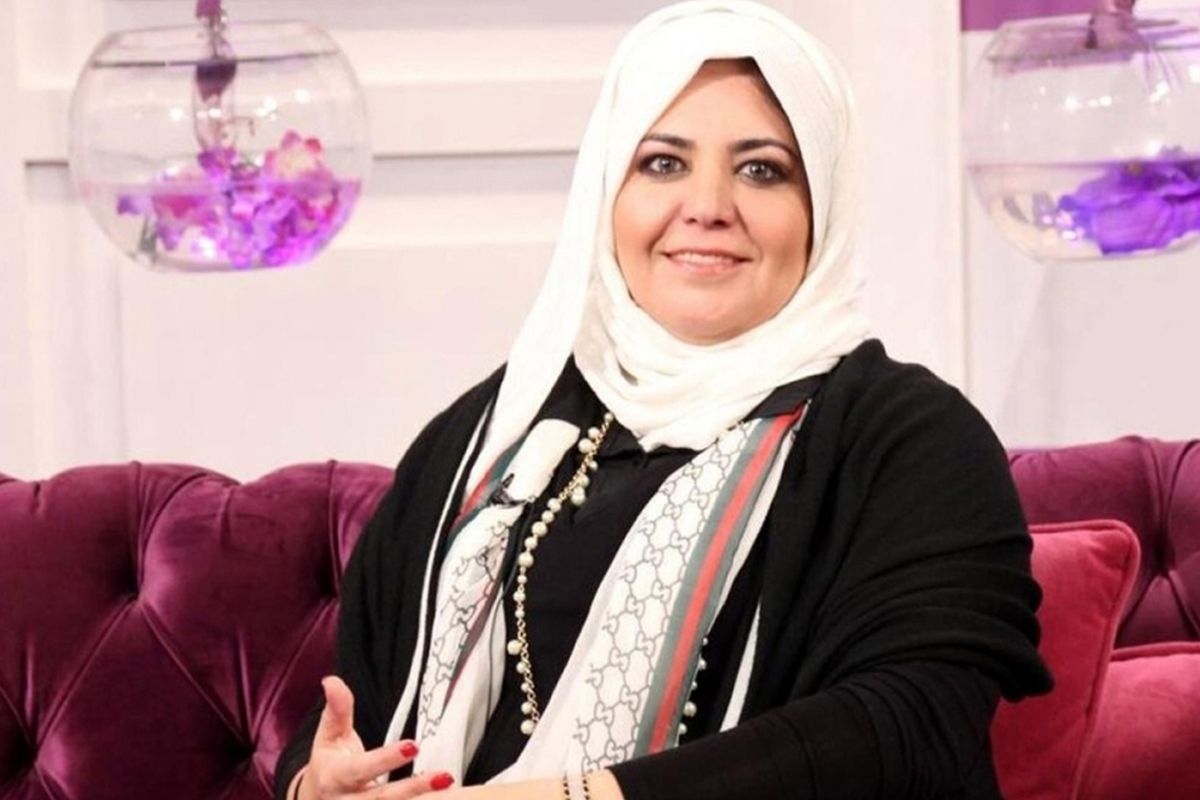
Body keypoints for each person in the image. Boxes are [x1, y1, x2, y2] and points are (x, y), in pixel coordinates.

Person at [275, 2, 1053, 798]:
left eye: (762, 170)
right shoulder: (494, 428)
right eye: (662, 163)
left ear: (822, 204)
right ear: (605, 192)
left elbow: (908, 728)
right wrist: (316, 785)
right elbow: (362, 690)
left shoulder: (907, 437)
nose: (707, 205)